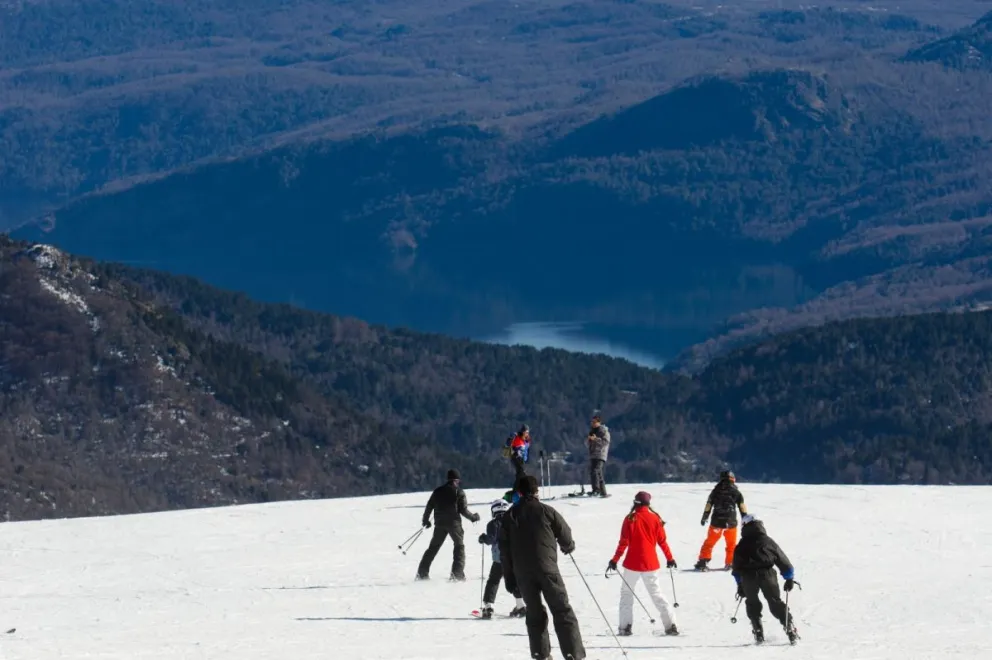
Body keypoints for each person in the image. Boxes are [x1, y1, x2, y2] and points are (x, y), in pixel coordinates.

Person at [499, 475, 585, 660]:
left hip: (523, 574)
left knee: (534, 613)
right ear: (536, 491)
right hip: (547, 570)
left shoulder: (509, 516)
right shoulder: (546, 511)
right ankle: (573, 654)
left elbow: (504, 552)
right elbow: (565, 533)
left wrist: (510, 580)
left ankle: (541, 654)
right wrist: (567, 546)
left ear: (519, 493)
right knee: (562, 610)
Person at [607, 491, 679, 636]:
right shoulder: (655, 518)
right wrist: (670, 558)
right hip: (651, 563)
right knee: (656, 594)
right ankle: (671, 625)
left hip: (632, 564)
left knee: (627, 594)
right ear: (648, 504)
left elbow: (623, 543)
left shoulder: (630, 519)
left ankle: (625, 627)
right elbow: (662, 542)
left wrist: (615, 560)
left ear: (635, 502)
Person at [731, 514, 800, 645]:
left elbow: (736, 567)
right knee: (775, 602)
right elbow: (782, 559)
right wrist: (789, 577)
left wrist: (740, 584)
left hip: (748, 577)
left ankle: (758, 631)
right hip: (767, 574)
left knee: (752, 603)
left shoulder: (741, 544)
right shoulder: (767, 541)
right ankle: (789, 627)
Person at [416, 469, 480, 581]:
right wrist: (473, 517)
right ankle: (457, 574)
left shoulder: (437, 491)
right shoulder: (458, 492)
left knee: (433, 548)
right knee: (459, 547)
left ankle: (422, 573)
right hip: (454, 524)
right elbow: (463, 510)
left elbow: (429, 506)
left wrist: (425, 520)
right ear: (456, 480)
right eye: (458, 481)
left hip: (439, 524)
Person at [478, 500, 527, 618]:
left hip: (499, 559)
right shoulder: (514, 521)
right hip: (514, 558)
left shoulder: (493, 524)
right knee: (514, 580)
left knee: (493, 581)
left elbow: (491, 539)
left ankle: (488, 607)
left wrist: (483, 538)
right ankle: (520, 606)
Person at [694, 470, 747, 571]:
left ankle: (703, 561)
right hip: (731, 522)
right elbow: (742, 506)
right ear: (733, 479)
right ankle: (730, 563)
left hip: (716, 522)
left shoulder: (716, 491)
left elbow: (709, 505)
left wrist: (705, 517)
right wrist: (746, 519)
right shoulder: (736, 492)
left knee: (710, 542)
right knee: (731, 544)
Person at [587, 413, 610, 497]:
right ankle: (603, 492)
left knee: (595, 471)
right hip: (593, 454)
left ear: (599, 422)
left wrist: (595, 439)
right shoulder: (592, 431)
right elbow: (589, 444)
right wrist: (589, 441)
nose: (592, 423)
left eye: (594, 422)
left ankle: (596, 490)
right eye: (592, 422)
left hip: (600, 454)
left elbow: (605, 442)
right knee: (597, 473)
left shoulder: (604, 431)